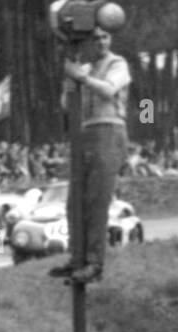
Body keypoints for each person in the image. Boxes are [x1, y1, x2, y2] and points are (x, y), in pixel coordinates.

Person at [48, 26, 131, 284]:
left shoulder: (118, 63)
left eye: (105, 37)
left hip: (109, 130)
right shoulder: (84, 67)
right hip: (85, 132)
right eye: (95, 38)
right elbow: (66, 105)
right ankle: (77, 259)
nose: (101, 42)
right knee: (75, 203)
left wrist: (81, 79)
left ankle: (94, 263)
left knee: (97, 201)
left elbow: (108, 90)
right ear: (87, 42)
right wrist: (70, 82)